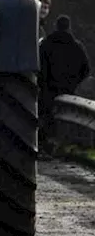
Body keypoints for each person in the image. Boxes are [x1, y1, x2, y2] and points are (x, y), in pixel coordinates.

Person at [39, 15, 90, 155]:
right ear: (69, 27)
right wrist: (73, 82)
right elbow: (86, 69)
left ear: (56, 26)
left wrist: (44, 82)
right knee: (66, 117)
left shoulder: (46, 44)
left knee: (47, 117)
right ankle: (63, 146)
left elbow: (39, 67)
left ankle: (45, 145)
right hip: (68, 89)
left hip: (47, 90)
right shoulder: (76, 46)